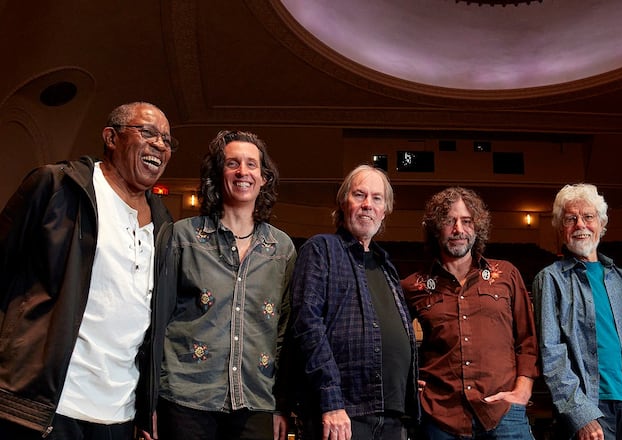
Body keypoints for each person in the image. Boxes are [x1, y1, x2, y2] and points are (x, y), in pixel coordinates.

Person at [0, 102, 175, 439]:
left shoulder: (165, 224)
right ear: (111, 137)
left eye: (167, 141)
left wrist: (145, 407)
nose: (160, 145)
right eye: (148, 133)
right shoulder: (57, 187)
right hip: (46, 405)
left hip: (118, 414)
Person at [156, 130, 296, 440]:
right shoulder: (182, 236)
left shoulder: (282, 248)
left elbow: (283, 331)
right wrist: (149, 400)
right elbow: (158, 319)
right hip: (185, 397)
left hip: (256, 399)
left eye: (251, 165)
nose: (243, 172)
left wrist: (281, 405)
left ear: (264, 178)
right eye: (232, 163)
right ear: (218, 175)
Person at [283, 164, 419, 440]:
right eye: (359, 195)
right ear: (343, 203)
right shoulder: (321, 249)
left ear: (385, 210)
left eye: (377, 198)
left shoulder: (386, 265)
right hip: (344, 413)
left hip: (393, 416)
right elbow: (308, 326)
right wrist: (331, 401)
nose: (368, 205)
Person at [401, 187, 539, 439]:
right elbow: (392, 342)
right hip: (440, 417)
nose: (458, 230)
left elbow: (527, 341)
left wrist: (523, 390)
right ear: (435, 228)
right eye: (449, 221)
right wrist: (409, 384)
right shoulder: (413, 286)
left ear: (478, 227)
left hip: (505, 413)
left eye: (466, 221)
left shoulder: (506, 274)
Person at [532, 183, 622, 440]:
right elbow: (551, 353)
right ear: (561, 229)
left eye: (588, 217)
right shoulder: (550, 279)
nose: (580, 224)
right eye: (570, 218)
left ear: (601, 224)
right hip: (588, 411)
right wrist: (581, 415)